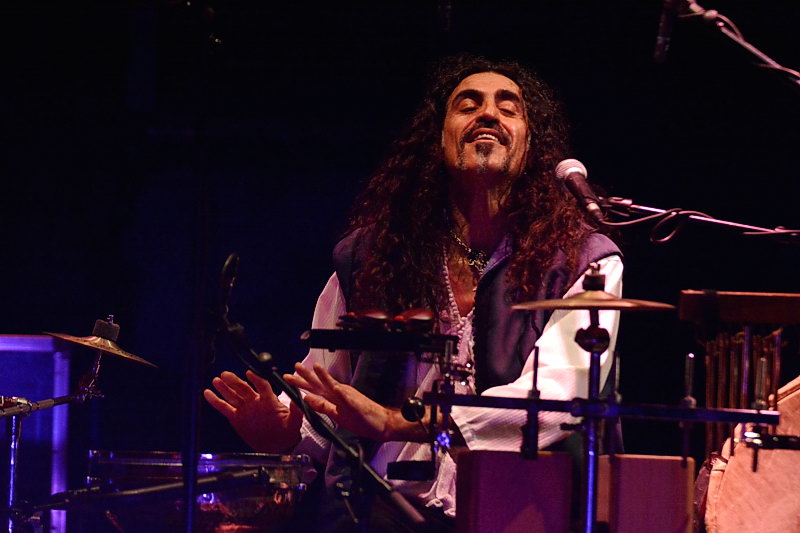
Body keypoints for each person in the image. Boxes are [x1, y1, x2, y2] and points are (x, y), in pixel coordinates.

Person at [204, 54, 622, 530]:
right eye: (468, 105)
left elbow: (557, 398)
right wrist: (287, 430)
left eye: (508, 108)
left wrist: (401, 423)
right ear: (438, 138)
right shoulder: (372, 254)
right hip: (384, 510)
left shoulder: (585, 260)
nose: (488, 114)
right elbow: (331, 396)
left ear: (532, 143)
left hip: (519, 511)